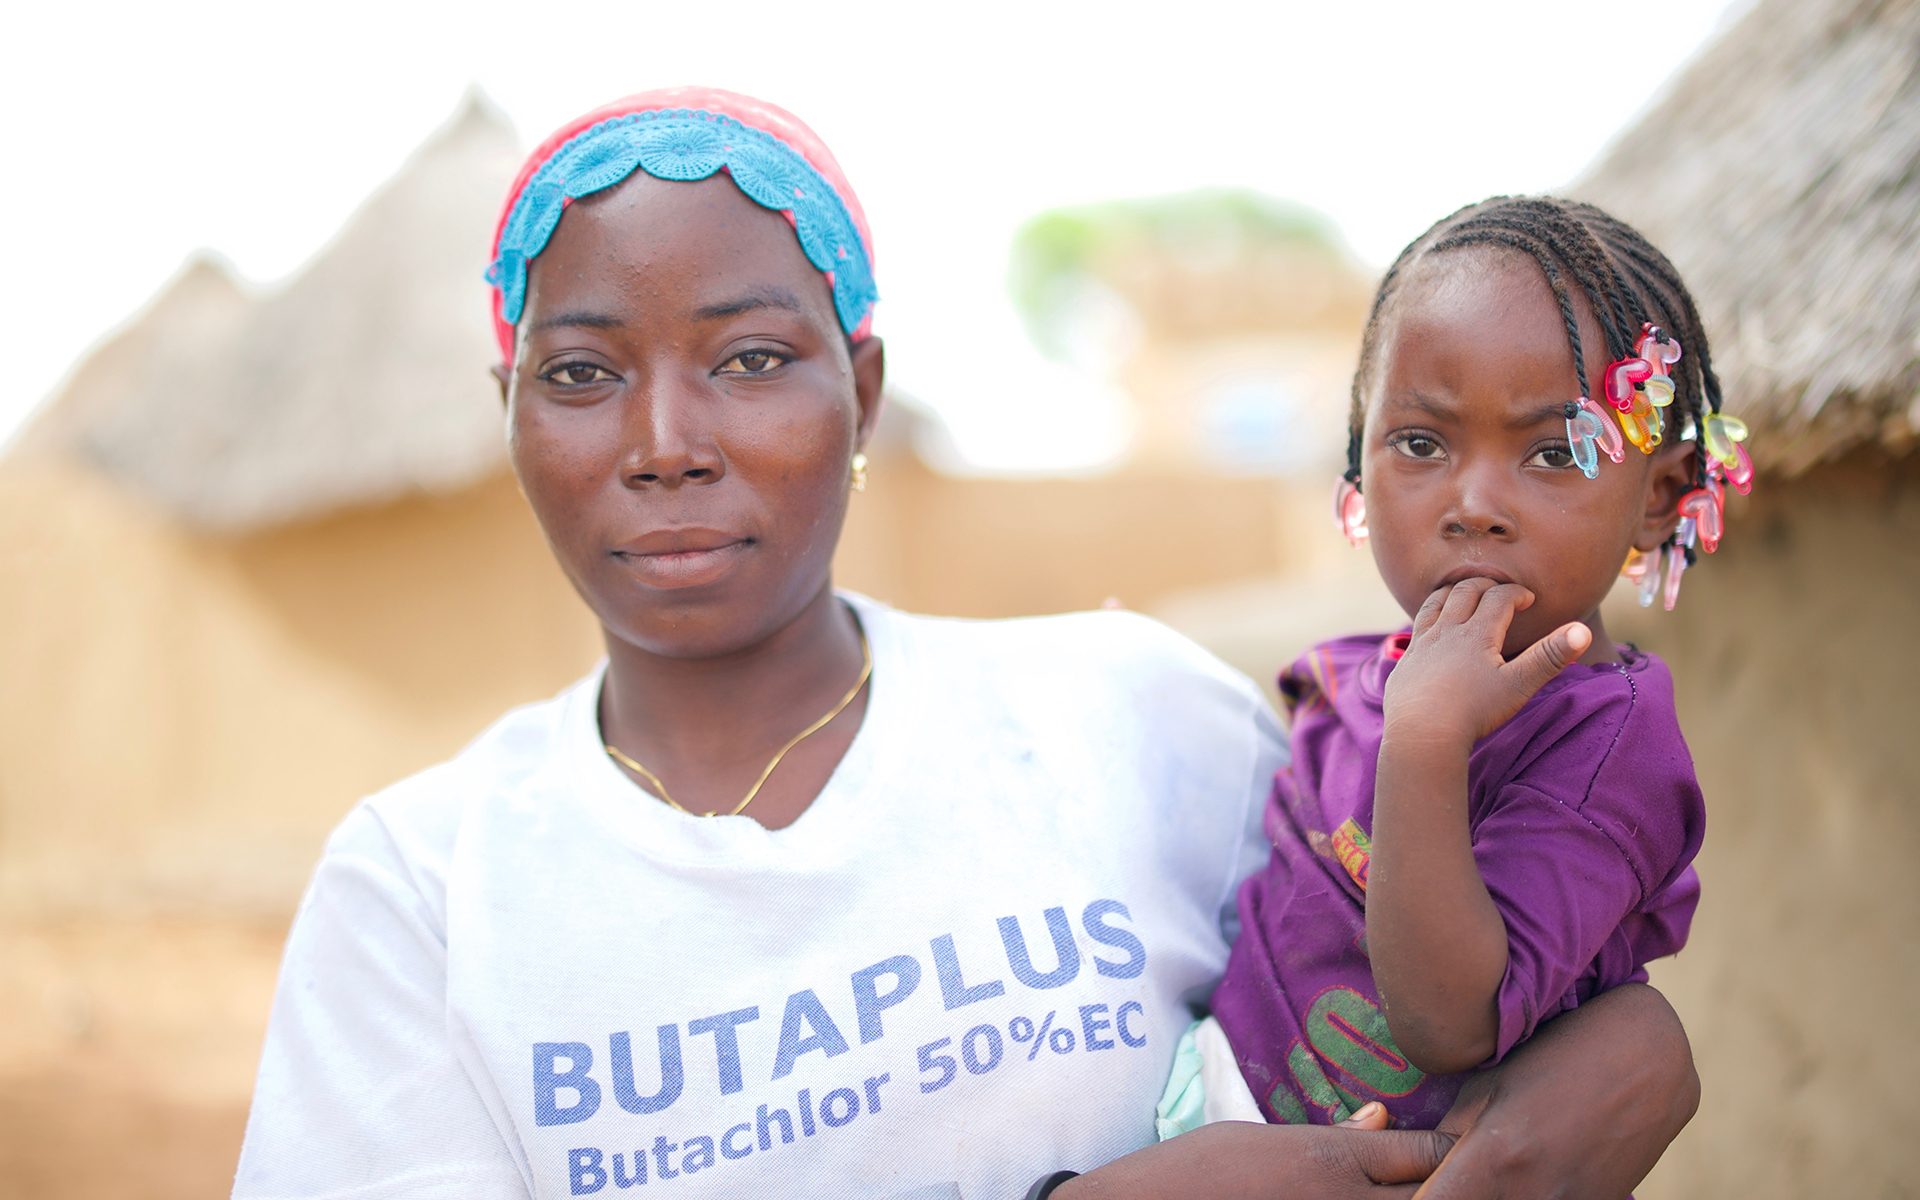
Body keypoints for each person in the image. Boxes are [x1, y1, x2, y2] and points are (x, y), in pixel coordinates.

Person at [232, 93, 1698, 1200]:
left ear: (861, 390)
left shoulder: (1135, 718)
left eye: (752, 359)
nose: (665, 444)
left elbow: (1451, 968)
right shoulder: (420, 900)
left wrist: (1630, 1055)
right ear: (509, 413)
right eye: (579, 374)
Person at [1159, 196, 1726, 1137]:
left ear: (1660, 498)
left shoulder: (1607, 745)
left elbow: (1450, 1024)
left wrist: (1425, 739)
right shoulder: (1338, 680)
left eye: (1555, 452)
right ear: (1359, 469)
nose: (1473, 503)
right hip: (1205, 1128)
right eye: (1420, 444)